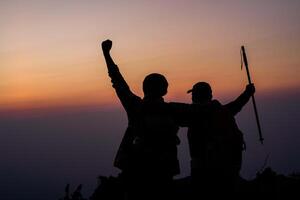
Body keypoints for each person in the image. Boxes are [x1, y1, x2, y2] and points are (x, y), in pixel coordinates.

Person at [101, 40, 218, 199]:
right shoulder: (171, 110)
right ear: (163, 89)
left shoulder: (136, 106)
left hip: (137, 174)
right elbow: (202, 111)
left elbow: (117, 81)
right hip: (162, 173)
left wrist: (106, 54)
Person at [186, 81, 255, 198]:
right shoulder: (222, 112)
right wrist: (247, 93)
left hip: (204, 172)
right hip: (228, 169)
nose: (192, 97)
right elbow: (236, 105)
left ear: (196, 96)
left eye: (194, 94)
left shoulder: (196, 114)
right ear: (210, 95)